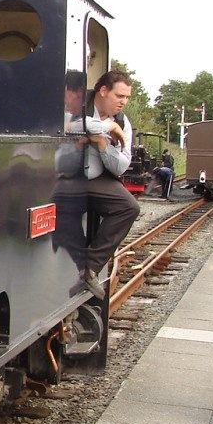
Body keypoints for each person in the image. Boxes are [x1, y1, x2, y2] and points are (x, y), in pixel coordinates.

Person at [76, 70, 141, 298]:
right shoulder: (78, 102)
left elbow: (121, 166)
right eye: (120, 96)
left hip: (94, 179)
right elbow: (64, 123)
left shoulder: (123, 123)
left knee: (129, 207)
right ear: (103, 91)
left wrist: (102, 144)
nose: (123, 102)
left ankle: (90, 266)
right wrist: (106, 128)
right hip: (63, 174)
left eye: (127, 98)